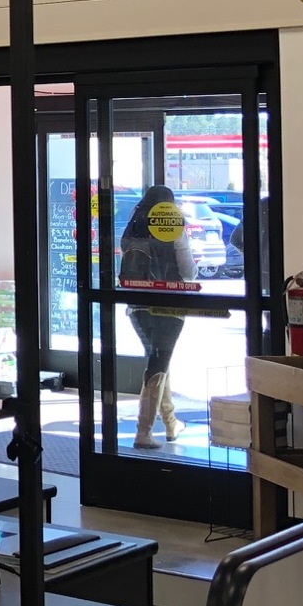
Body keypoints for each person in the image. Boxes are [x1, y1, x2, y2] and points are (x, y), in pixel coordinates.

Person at [119, 185, 189, 449]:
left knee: (159, 360)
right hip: (168, 307)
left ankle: (171, 423)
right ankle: (143, 432)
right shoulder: (174, 229)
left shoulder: (132, 228)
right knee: (158, 365)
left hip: (136, 308)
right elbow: (190, 272)